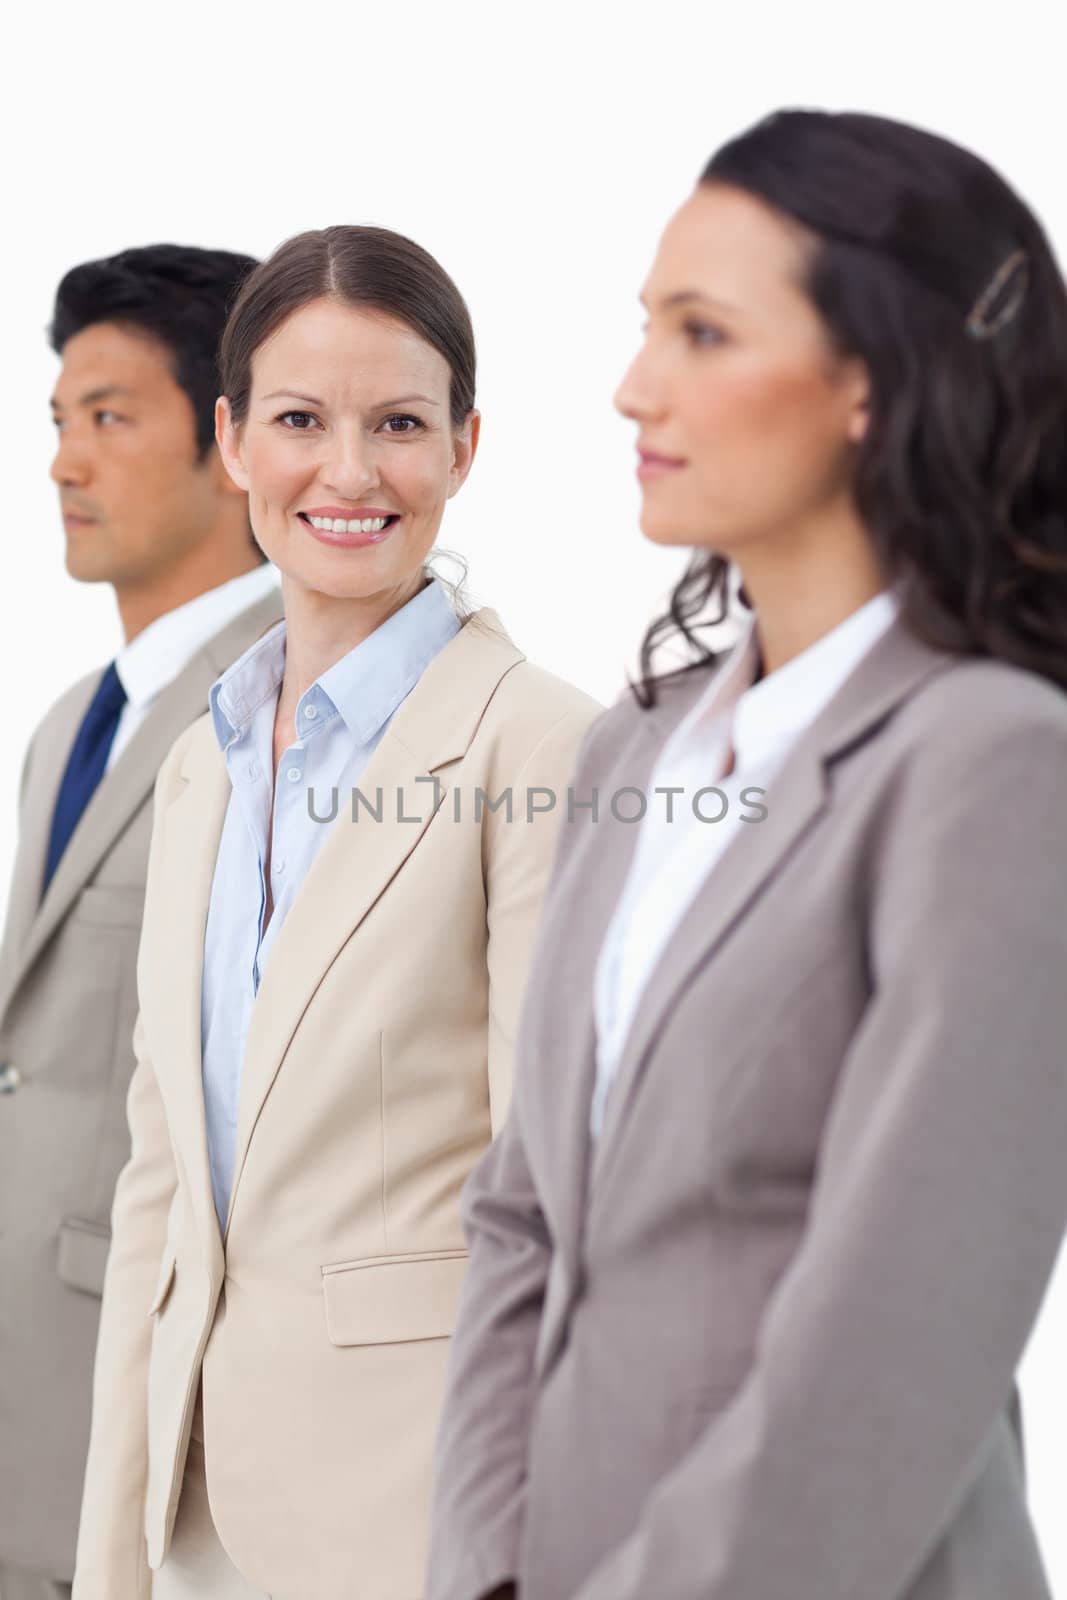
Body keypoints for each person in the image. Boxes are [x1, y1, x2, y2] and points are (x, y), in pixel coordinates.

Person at [426, 108, 1067, 1600]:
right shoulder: (633, 748)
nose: (634, 386)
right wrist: (484, 1574)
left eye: (704, 334)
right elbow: (524, 1215)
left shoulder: (993, 766)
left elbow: (900, 1336)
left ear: (871, 380)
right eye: (648, 326)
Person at [70, 224, 600, 1600]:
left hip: (412, 1519)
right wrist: (112, 1555)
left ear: (466, 448)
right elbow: (160, 1196)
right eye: (302, 419)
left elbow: (558, 1205)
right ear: (235, 441)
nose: (351, 472)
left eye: (401, 424)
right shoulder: (202, 761)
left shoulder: (539, 747)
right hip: (190, 1523)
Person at [0, 243, 282, 1600]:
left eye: (109, 417)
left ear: (229, 441)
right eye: (59, 422)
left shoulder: (291, 712)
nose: (64, 462)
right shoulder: (70, 727)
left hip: (149, 1393)